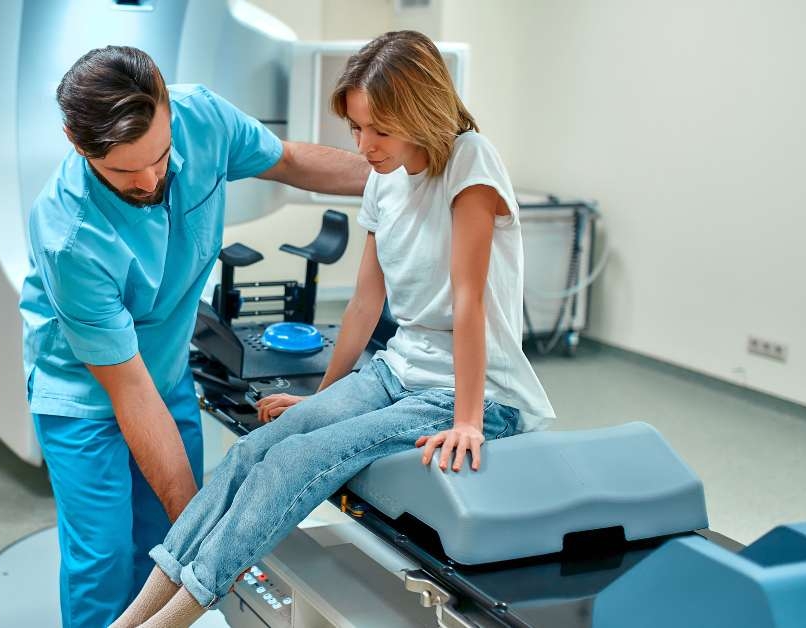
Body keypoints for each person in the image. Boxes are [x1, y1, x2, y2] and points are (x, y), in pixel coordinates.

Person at [112, 30, 556, 628]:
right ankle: (132, 618)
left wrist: (471, 420)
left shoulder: (469, 164)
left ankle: (172, 620)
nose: (364, 146)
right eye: (356, 129)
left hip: (470, 395)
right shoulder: (384, 180)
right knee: (253, 451)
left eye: (380, 130)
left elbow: (471, 303)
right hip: (396, 373)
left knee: (295, 462)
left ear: (421, 112)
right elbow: (364, 307)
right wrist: (321, 402)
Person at [19, 45, 370, 627]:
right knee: (102, 559)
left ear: (167, 109)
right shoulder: (69, 236)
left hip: (166, 369)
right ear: (76, 143)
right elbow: (129, 392)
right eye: (125, 173)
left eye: (159, 157)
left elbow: (289, 161)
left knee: (162, 544)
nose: (152, 179)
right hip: (83, 392)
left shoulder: (202, 116)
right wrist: (211, 542)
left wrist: (405, 171)